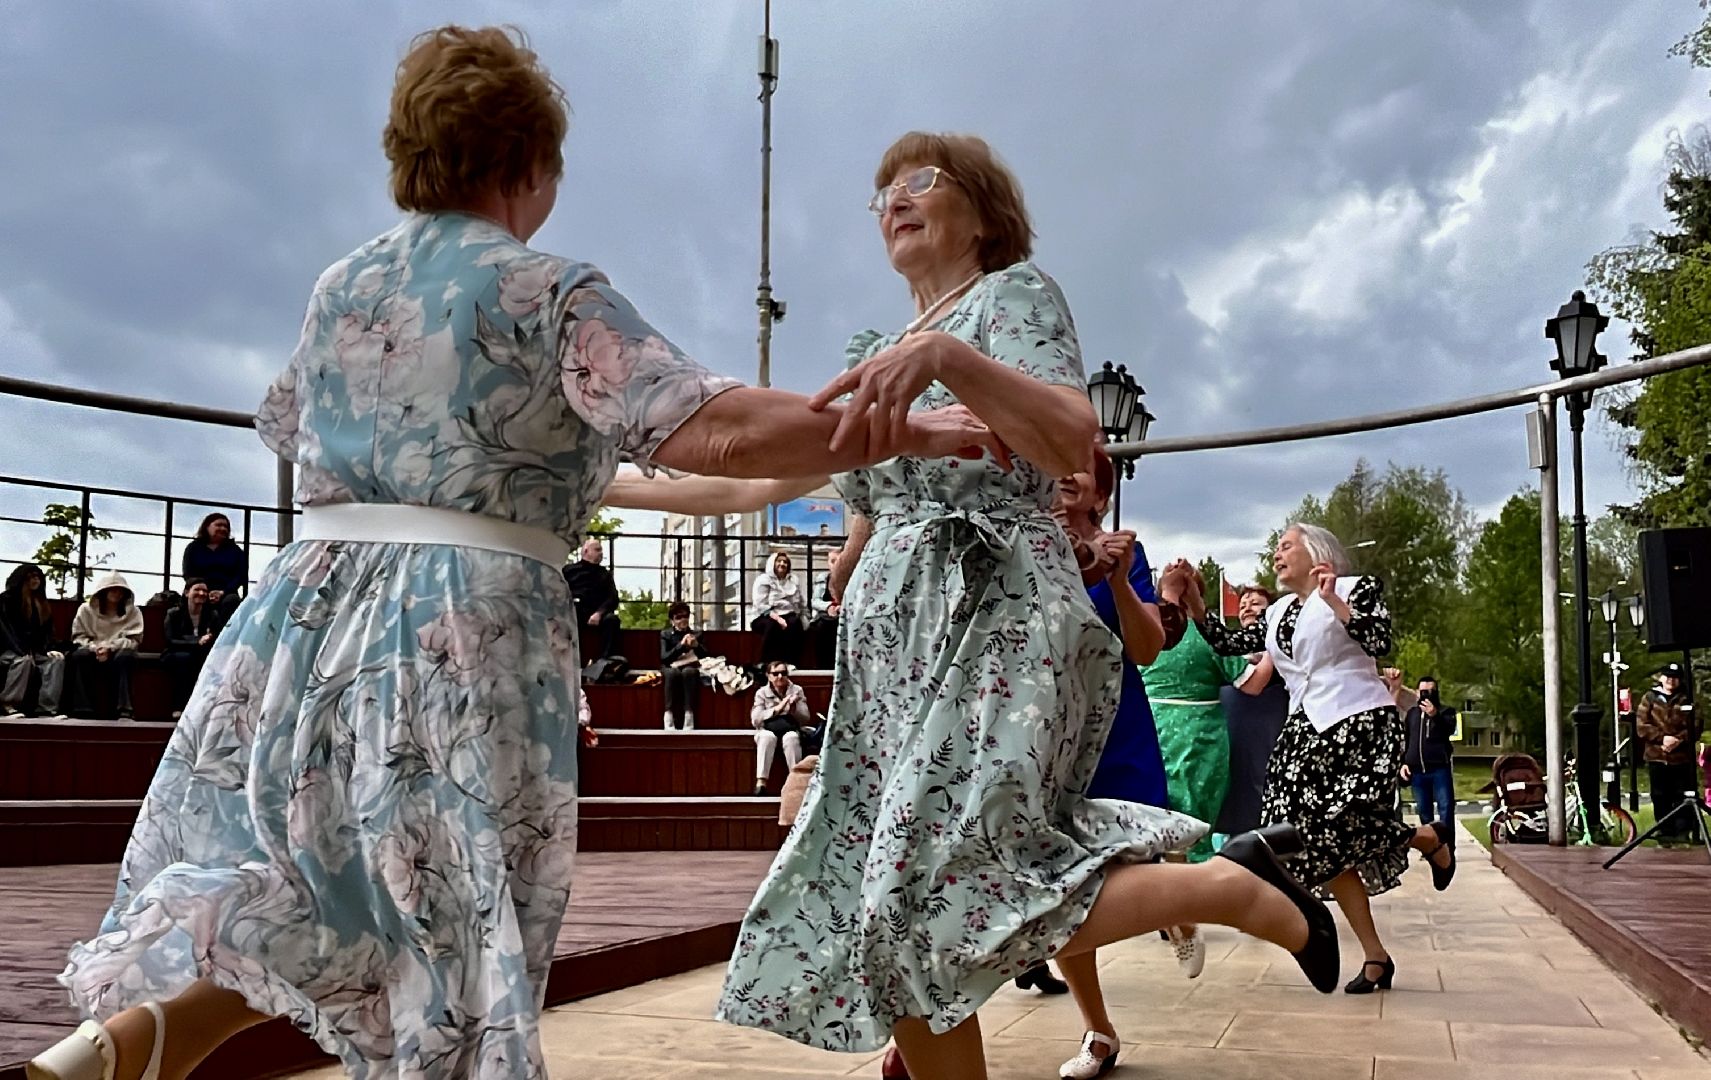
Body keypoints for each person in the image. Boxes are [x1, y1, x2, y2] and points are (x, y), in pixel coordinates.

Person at [35, 28, 1004, 1080]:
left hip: (302, 624)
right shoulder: (547, 290)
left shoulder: (341, 286)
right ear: (530, 165)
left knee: (318, 886)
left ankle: (128, 1045)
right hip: (457, 627)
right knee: (458, 930)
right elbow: (710, 426)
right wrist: (904, 423)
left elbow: (315, 436)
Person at [714, 132, 1339, 1080]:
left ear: (982, 208)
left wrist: (944, 357)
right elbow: (823, 504)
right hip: (897, 649)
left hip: (994, 617)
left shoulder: (1013, 297)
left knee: (950, 884)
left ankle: (1226, 887)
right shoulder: (871, 352)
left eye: (921, 181)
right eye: (881, 189)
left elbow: (1065, 439)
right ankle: (1223, 879)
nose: (895, 197)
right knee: (896, 901)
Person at [1188, 523, 1455, 996]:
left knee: (1336, 825)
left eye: (1285, 545)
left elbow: (1379, 640)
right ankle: (1380, 945)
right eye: (1275, 548)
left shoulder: (1357, 587)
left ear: (1317, 552)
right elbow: (1228, 644)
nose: (1276, 554)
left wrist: (1336, 603)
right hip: (1304, 726)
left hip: (1358, 721)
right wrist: (1192, 602)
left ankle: (1339, 921)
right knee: (1303, 838)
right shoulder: (1275, 613)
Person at [1047, 450, 1182, 1080]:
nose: (1064, 473)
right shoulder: (1024, 539)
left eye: (1080, 468)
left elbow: (1149, 648)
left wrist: (1121, 580)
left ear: (1101, 496)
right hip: (1043, 733)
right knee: (1060, 881)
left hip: (1115, 727)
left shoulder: (1126, 551)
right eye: (1055, 462)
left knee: (1128, 860)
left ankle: (1186, 899)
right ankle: (1098, 1030)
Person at [1143, 560, 1249, 864]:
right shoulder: (1206, 634)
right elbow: (1251, 682)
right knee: (1192, 822)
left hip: (1149, 729)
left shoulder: (1144, 629)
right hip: (1197, 737)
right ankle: (1190, 898)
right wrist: (1273, 650)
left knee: (1151, 816)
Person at [1213, 585, 1290, 842]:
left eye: (1256, 603)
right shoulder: (1228, 651)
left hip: (1267, 736)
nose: (1247, 606)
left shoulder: (1284, 647)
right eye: (1244, 602)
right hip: (1232, 740)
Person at [1635, 663, 1700, 844]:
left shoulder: (1687, 699)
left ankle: (1683, 831)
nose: (1671, 680)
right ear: (1661, 678)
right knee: (1660, 795)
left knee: (1682, 795)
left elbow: (1696, 725)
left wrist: (1678, 740)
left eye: (1675, 677)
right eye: (1668, 676)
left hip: (1681, 757)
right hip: (1657, 755)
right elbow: (1641, 726)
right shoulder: (1650, 698)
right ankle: (1664, 830)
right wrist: (1662, 738)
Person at [65, 572, 143, 721]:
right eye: (112, 589)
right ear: (103, 591)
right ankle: (83, 709)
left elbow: (134, 640)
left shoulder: (134, 612)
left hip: (119, 651)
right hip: (93, 650)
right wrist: (95, 648)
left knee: (126, 656)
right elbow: (78, 636)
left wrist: (111, 647)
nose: (117, 593)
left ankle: (124, 710)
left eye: (120, 590)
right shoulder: (85, 610)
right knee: (79, 656)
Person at [0, 562, 65, 718]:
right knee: (24, 661)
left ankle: (47, 708)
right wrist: (21, 651)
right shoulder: (6, 600)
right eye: (30, 577)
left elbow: (47, 634)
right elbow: (5, 632)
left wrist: (50, 650)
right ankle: (8, 705)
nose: (35, 580)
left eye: (37, 577)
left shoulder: (41, 604)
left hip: (34, 652)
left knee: (56, 661)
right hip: (8, 650)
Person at [748, 661, 820, 795]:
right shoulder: (761, 693)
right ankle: (761, 782)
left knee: (791, 738)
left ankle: (795, 781)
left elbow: (805, 718)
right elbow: (756, 719)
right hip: (767, 728)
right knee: (766, 737)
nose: (780, 677)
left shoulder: (797, 690)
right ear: (768, 676)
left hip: (789, 728)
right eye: (775, 674)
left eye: (784, 673)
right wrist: (778, 708)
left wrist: (794, 709)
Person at [161, 580, 225, 720]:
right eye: (197, 590)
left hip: (200, 654)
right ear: (186, 593)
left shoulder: (212, 615)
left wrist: (208, 639)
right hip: (174, 653)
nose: (201, 593)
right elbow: (171, 640)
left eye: (205, 591)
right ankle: (179, 706)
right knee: (186, 659)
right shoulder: (173, 614)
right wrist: (196, 642)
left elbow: (218, 637)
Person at [1400, 675, 1458, 827]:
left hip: (1439, 769)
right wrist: (1403, 762)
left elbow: (1449, 730)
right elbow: (1406, 739)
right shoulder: (1412, 714)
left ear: (1436, 692)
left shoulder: (1446, 712)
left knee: (1446, 810)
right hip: (1417, 771)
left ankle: (1448, 849)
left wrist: (1434, 715)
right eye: (1423, 691)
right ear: (1417, 693)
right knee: (1424, 813)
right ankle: (1431, 849)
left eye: (1430, 691)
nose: (1425, 695)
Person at [181, 513, 249, 622]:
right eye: (218, 525)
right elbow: (188, 573)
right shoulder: (193, 548)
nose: (223, 529)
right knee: (191, 599)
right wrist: (204, 591)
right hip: (200, 588)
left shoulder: (235, 551)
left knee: (232, 601)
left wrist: (222, 592)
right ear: (207, 526)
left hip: (226, 591)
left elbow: (240, 576)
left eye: (226, 527)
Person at [563, 537, 622, 659]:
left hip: (596, 613)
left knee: (612, 620)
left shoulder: (605, 574)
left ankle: (604, 661)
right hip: (574, 611)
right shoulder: (569, 571)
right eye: (597, 549)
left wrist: (599, 613)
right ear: (586, 551)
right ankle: (573, 660)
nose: (601, 553)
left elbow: (613, 597)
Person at [749, 551, 806, 666]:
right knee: (772, 626)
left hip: (787, 614)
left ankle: (791, 663)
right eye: (779, 561)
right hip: (764, 615)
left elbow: (798, 602)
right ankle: (764, 662)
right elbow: (760, 605)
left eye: (785, 562)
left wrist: (804, 616)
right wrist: (778, 619)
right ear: (772, 564)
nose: (782, 564)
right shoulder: (763, 580)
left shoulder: (793, 580)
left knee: (795, 624)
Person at [659, 600, 703, 730]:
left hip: (690, 666)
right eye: (678, 617)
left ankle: (689, 716)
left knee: (689, 672)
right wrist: (681, 646)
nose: (683, 620)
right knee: (672, 674)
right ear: (672, 620)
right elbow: (664, 658)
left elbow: (706, 655)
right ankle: (668, 715)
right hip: (671, 666)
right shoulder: (665, 634)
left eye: (685, 616)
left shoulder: (697, 634)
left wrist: (697, 646)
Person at [806, 547, 843, 670]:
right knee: (822, 627)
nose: (835, 565)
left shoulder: (850, 578)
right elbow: (815, 601)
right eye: (832, 561)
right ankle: (822, 668)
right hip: (825, 616)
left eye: (838, 561)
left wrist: (841, 608)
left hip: (844, 614)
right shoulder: (823, 578)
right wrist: (828, 607)